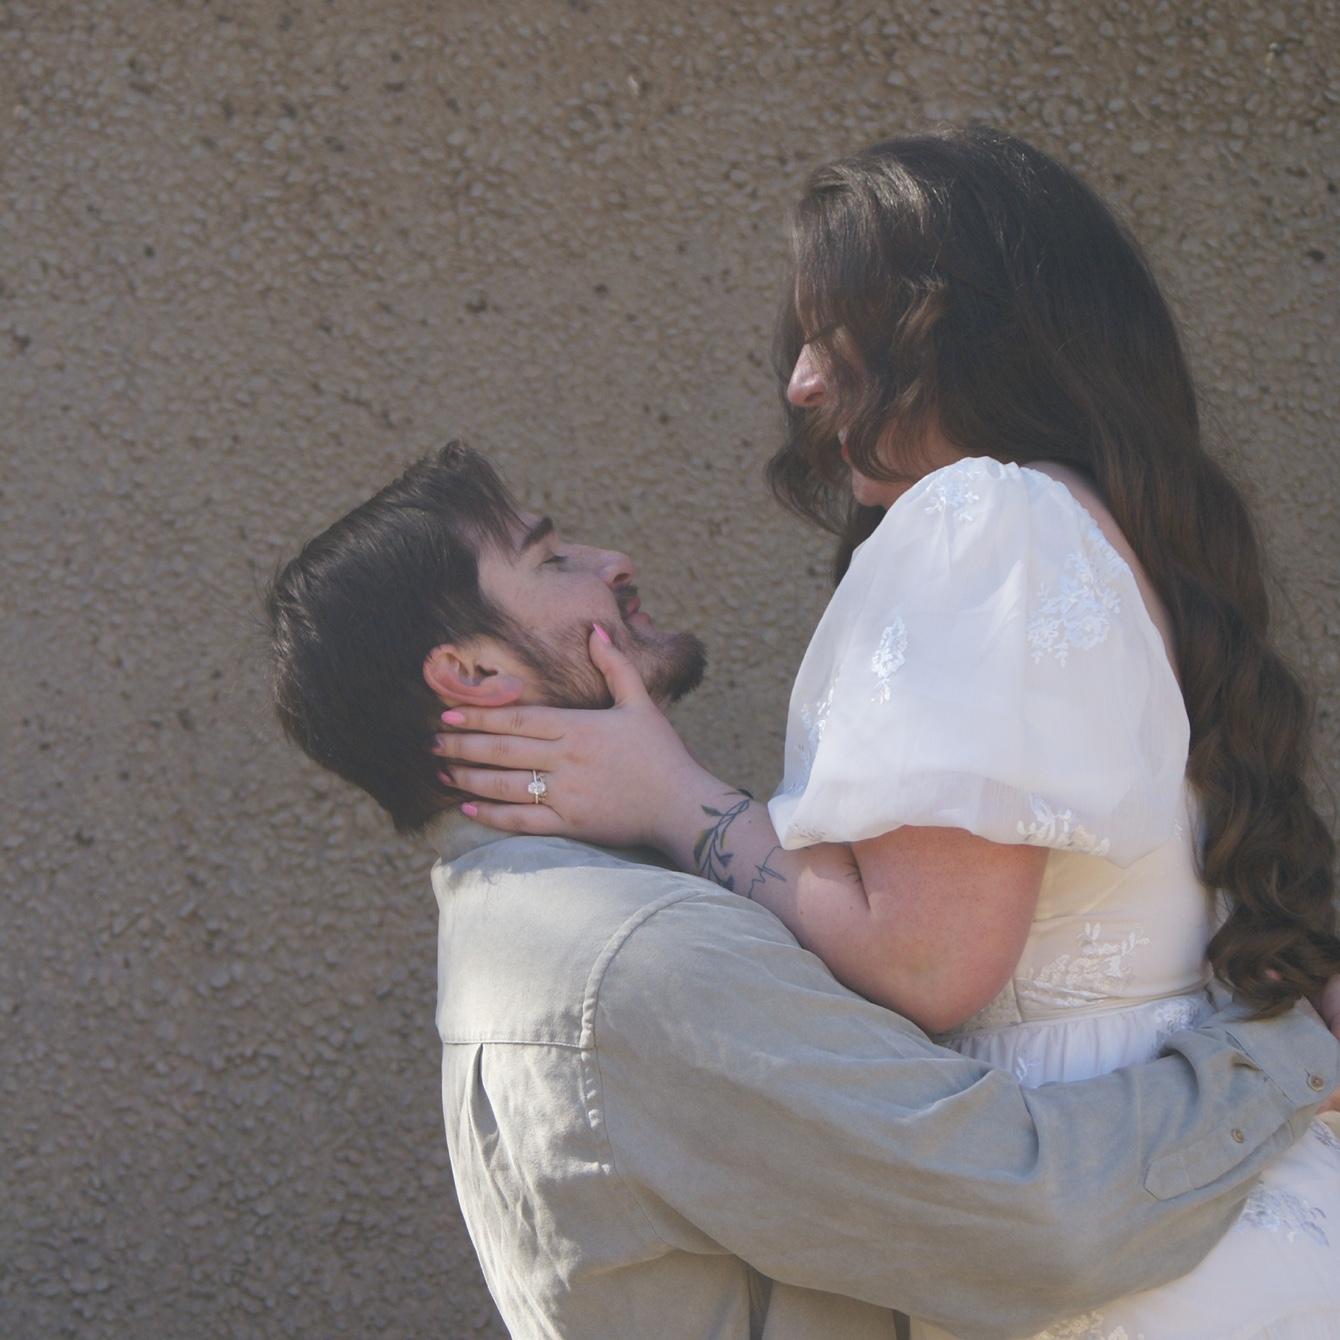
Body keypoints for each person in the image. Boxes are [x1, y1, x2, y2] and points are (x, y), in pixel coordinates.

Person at [432, 128, 1340, 1337]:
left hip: (1120, 1260)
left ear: (959, 331)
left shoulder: (978, 516)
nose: (800, 384)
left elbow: (924, 961)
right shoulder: (1100, 523)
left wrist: (674, 798)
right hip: (1211, 1208)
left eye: (835, 334)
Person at [266, 442, 1340, 1340]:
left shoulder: (531, 927)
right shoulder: (635, 956)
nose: (611, 562)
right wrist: (1296, 1052)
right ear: (473, 675)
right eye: (551, 558)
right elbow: (1027, 1219)